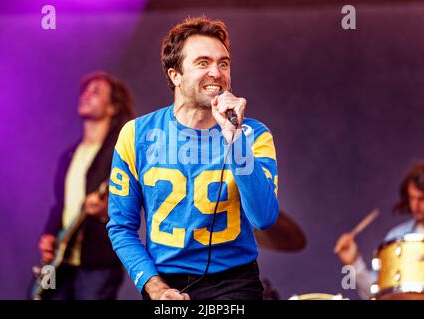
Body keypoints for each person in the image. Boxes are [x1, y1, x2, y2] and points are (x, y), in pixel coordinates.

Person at [107, 16, 279, 300]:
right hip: (164, 282)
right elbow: (121, 226)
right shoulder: (135, 135)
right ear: (175, 74)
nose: (216, 72)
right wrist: (154, 286)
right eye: (203, 63)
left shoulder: (254, 135)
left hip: (235, 283)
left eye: (223, 63)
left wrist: (234, 138)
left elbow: (264, 218)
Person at [38, 71, 135, 299]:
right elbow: (60, 205)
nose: (86, 95)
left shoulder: (120, 154)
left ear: (112, 107)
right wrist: (49, 235)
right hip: (61, 262)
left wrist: (105, 211)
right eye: (86, 90)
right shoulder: (69, 155)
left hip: (98, 263)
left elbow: (132, 204)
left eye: (96, 92)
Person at [334, 160, 424, 299]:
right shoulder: (397, 237)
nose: (416, 205)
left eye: (422, 198)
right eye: (412, 198)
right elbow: (376, 293)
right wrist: (354, 263)